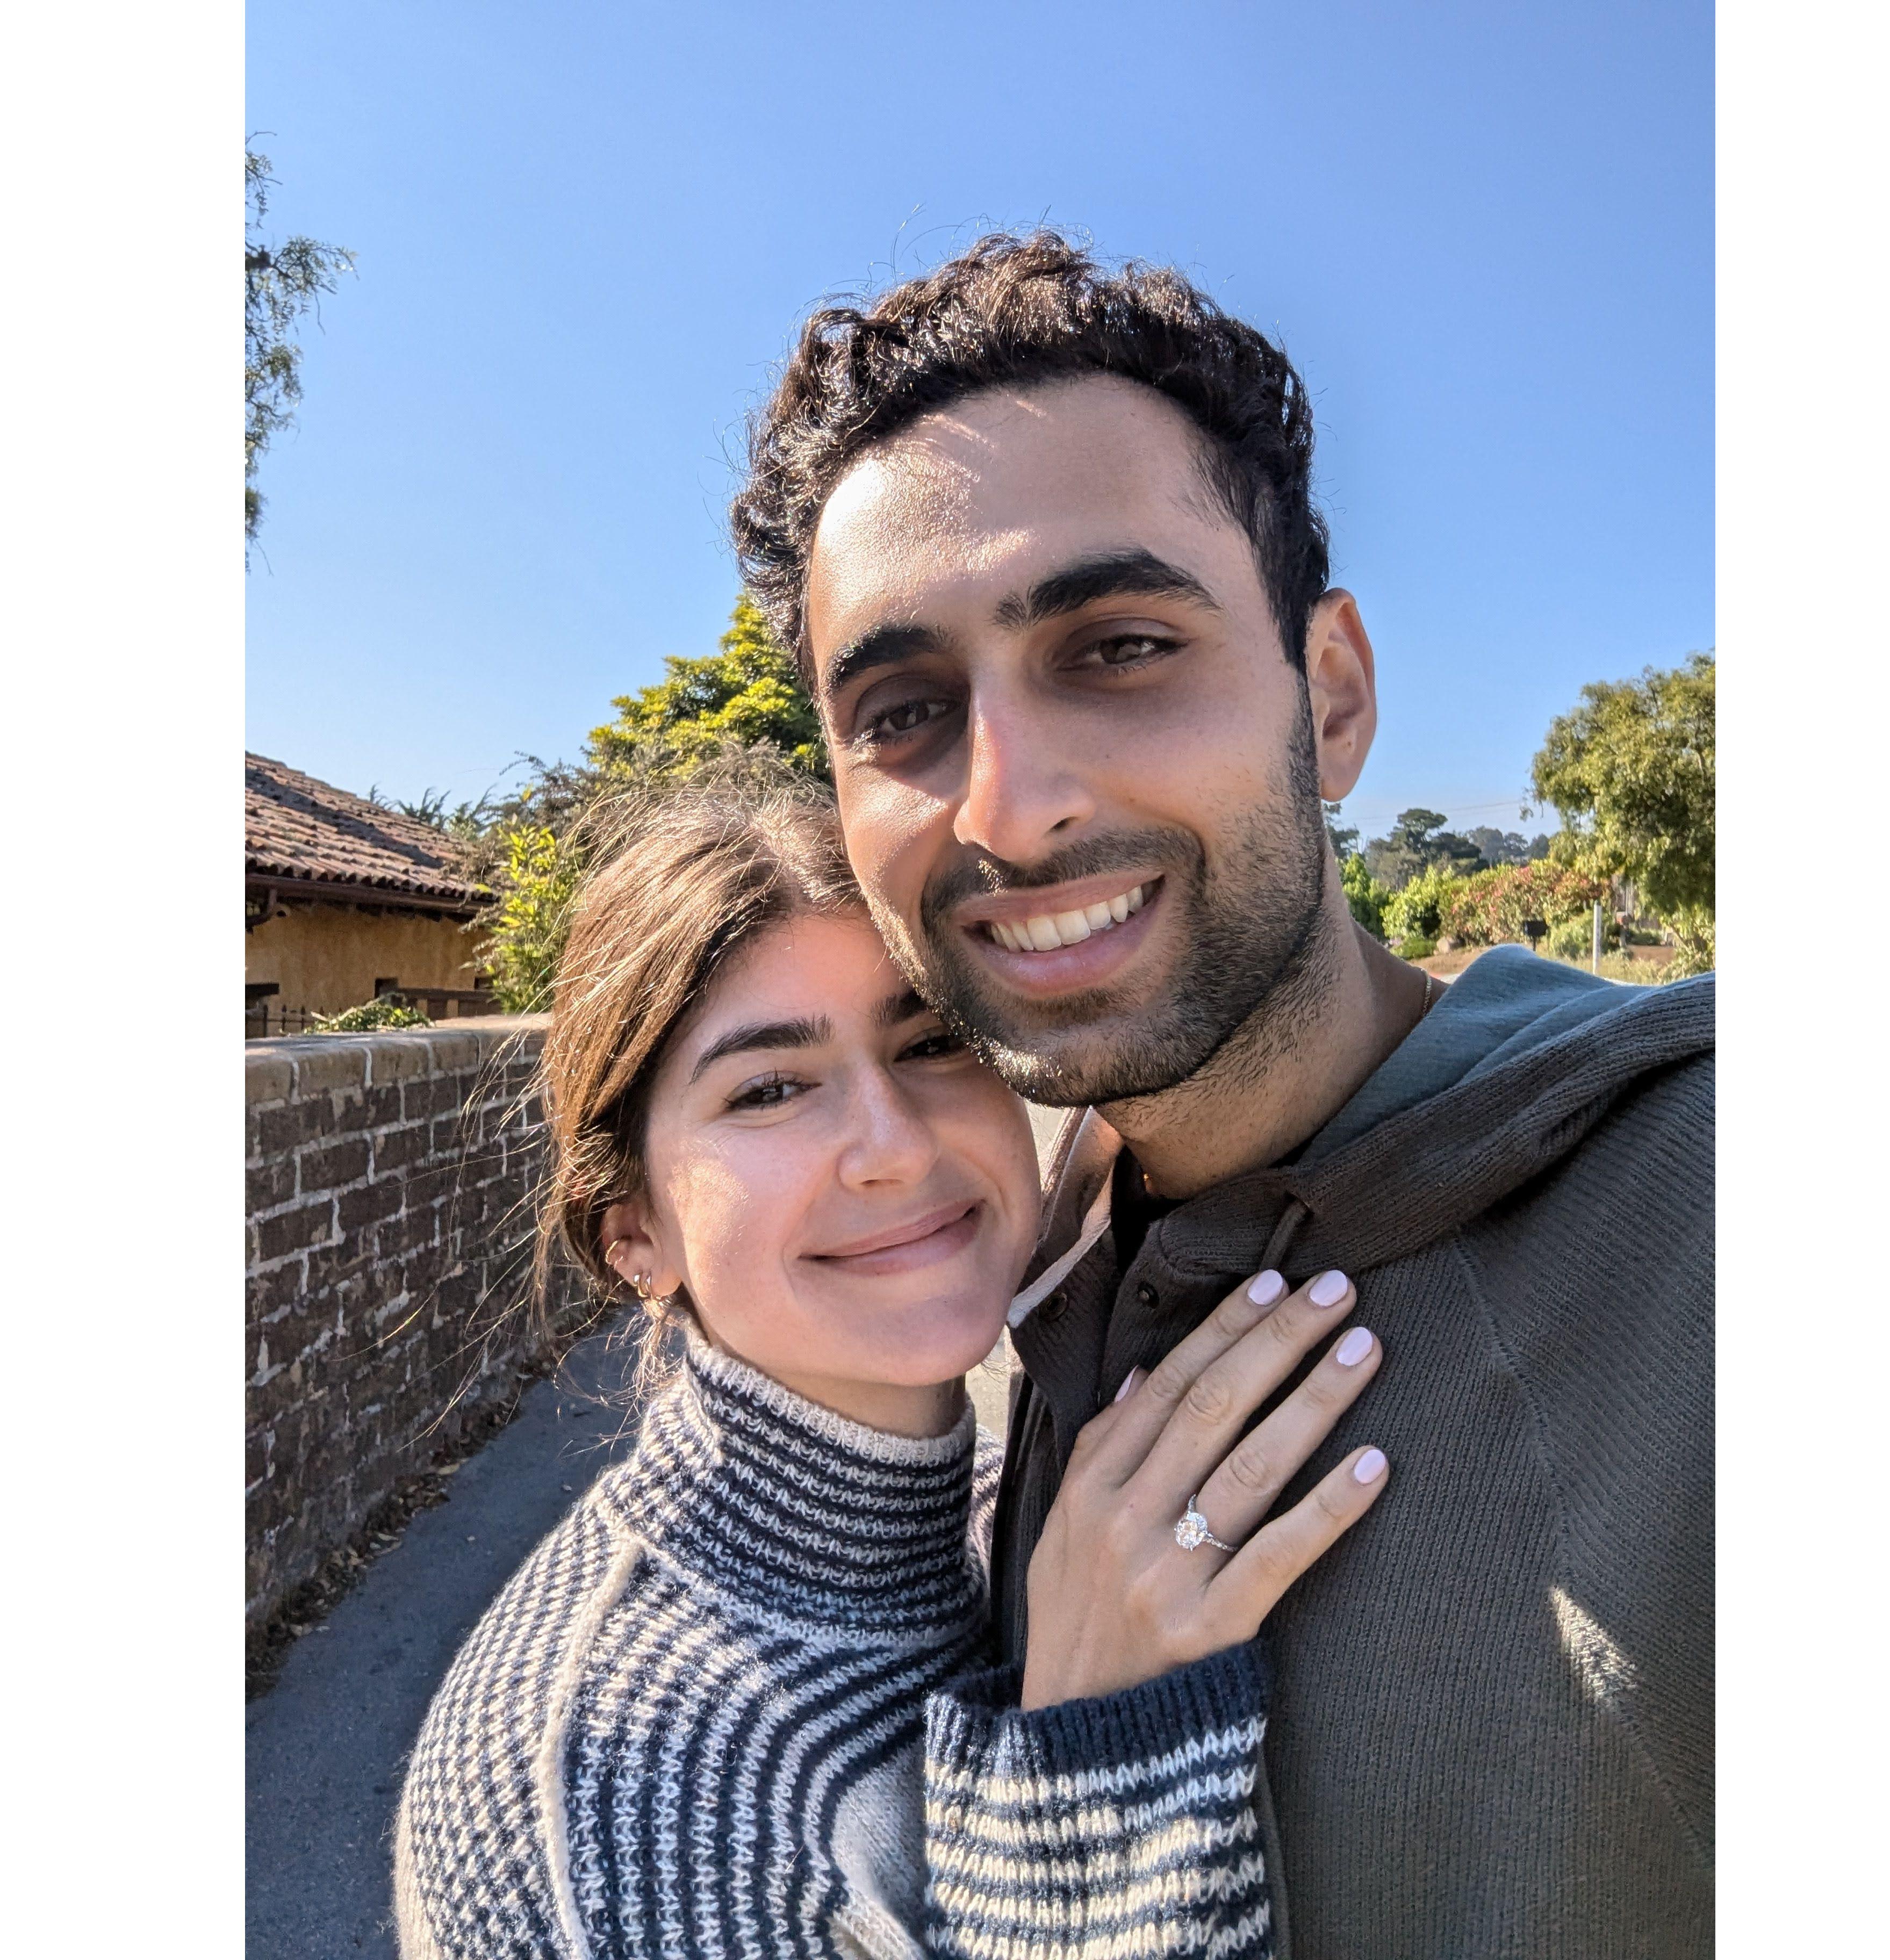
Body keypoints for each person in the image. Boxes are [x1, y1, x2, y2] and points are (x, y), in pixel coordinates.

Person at [731, 233, 1715, 1956]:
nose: (1006, 806)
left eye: (1119, 647)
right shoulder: (1043, 1252)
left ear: (1330, 700)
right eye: (901, 710)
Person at [394, 777, 1397, 1960]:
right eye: (771, 1089)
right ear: (634, 1236)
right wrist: (1090, 1762)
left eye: (930, 1043)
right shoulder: (614, 1806)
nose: (896, 1147)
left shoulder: (1008, 1514)